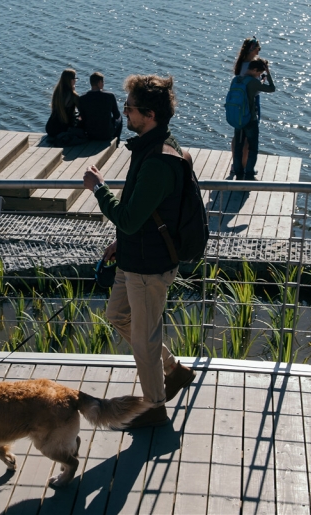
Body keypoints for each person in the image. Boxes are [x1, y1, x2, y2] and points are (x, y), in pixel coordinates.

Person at [82, 74, 196, 429]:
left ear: (148, 114)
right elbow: (143, 215)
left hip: (150, 267)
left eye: (129, 108)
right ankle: (173, 370)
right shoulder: (148, 147)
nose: (124, 113)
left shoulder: (160, 160)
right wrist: (121, 241)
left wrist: (99, 188)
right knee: (118, 314)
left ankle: (154, 409)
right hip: (136, 255)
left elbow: (130, 218)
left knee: (145, 342)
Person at [230, 58, 276, 180]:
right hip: (250, 120)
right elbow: (272, 88)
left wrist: (259, 81)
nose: (259, 75)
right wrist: (269, 74)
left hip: (238, 119)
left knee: (238, 146)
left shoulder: (236, 80)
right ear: (255, 70)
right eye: (259, 73)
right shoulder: (253, 82)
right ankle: (249, 173)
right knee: (253, 147)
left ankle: (238, 172)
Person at [231, 37, 262, 175]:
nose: (259, 51)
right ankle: (246, 167)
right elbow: (255, 88)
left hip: (238, 104)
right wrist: (262, 81)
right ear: (252, 49)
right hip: (251, 103)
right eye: (258, 49)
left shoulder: (240, 64)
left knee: (238, 136)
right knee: (249, 139)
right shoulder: (250, 66)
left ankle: (236, 165)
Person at [45, 68, 86, 145]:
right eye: (75, 78)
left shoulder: (57, 93)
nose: (75, 81)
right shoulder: (73, 96)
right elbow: (83, 112)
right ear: (71, 80)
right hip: (63, 128)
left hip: (50, 127)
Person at [77, 71, 122, 141]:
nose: (103, 84)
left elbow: (82, 117)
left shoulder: (82, 98)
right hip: (106, 134)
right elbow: (116, 115)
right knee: (120, 118)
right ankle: (116, 141)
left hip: (89, 134)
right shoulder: (110, 96)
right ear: (99, 82)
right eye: (103, 82)